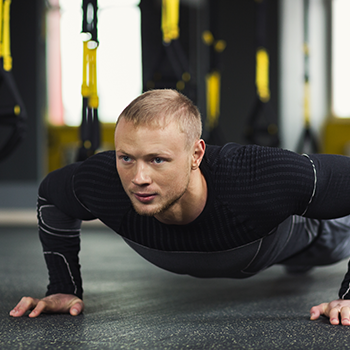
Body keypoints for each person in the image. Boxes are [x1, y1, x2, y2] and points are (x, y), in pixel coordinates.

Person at [9, 89, 350, 325]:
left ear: (196, 155)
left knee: (329, 242)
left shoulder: (258, 176)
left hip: (305, 237)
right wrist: (63, 287)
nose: (138, 177)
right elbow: (51, 196)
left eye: (158, 159)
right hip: (245, 250)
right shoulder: (102, 181)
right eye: (126, 157)